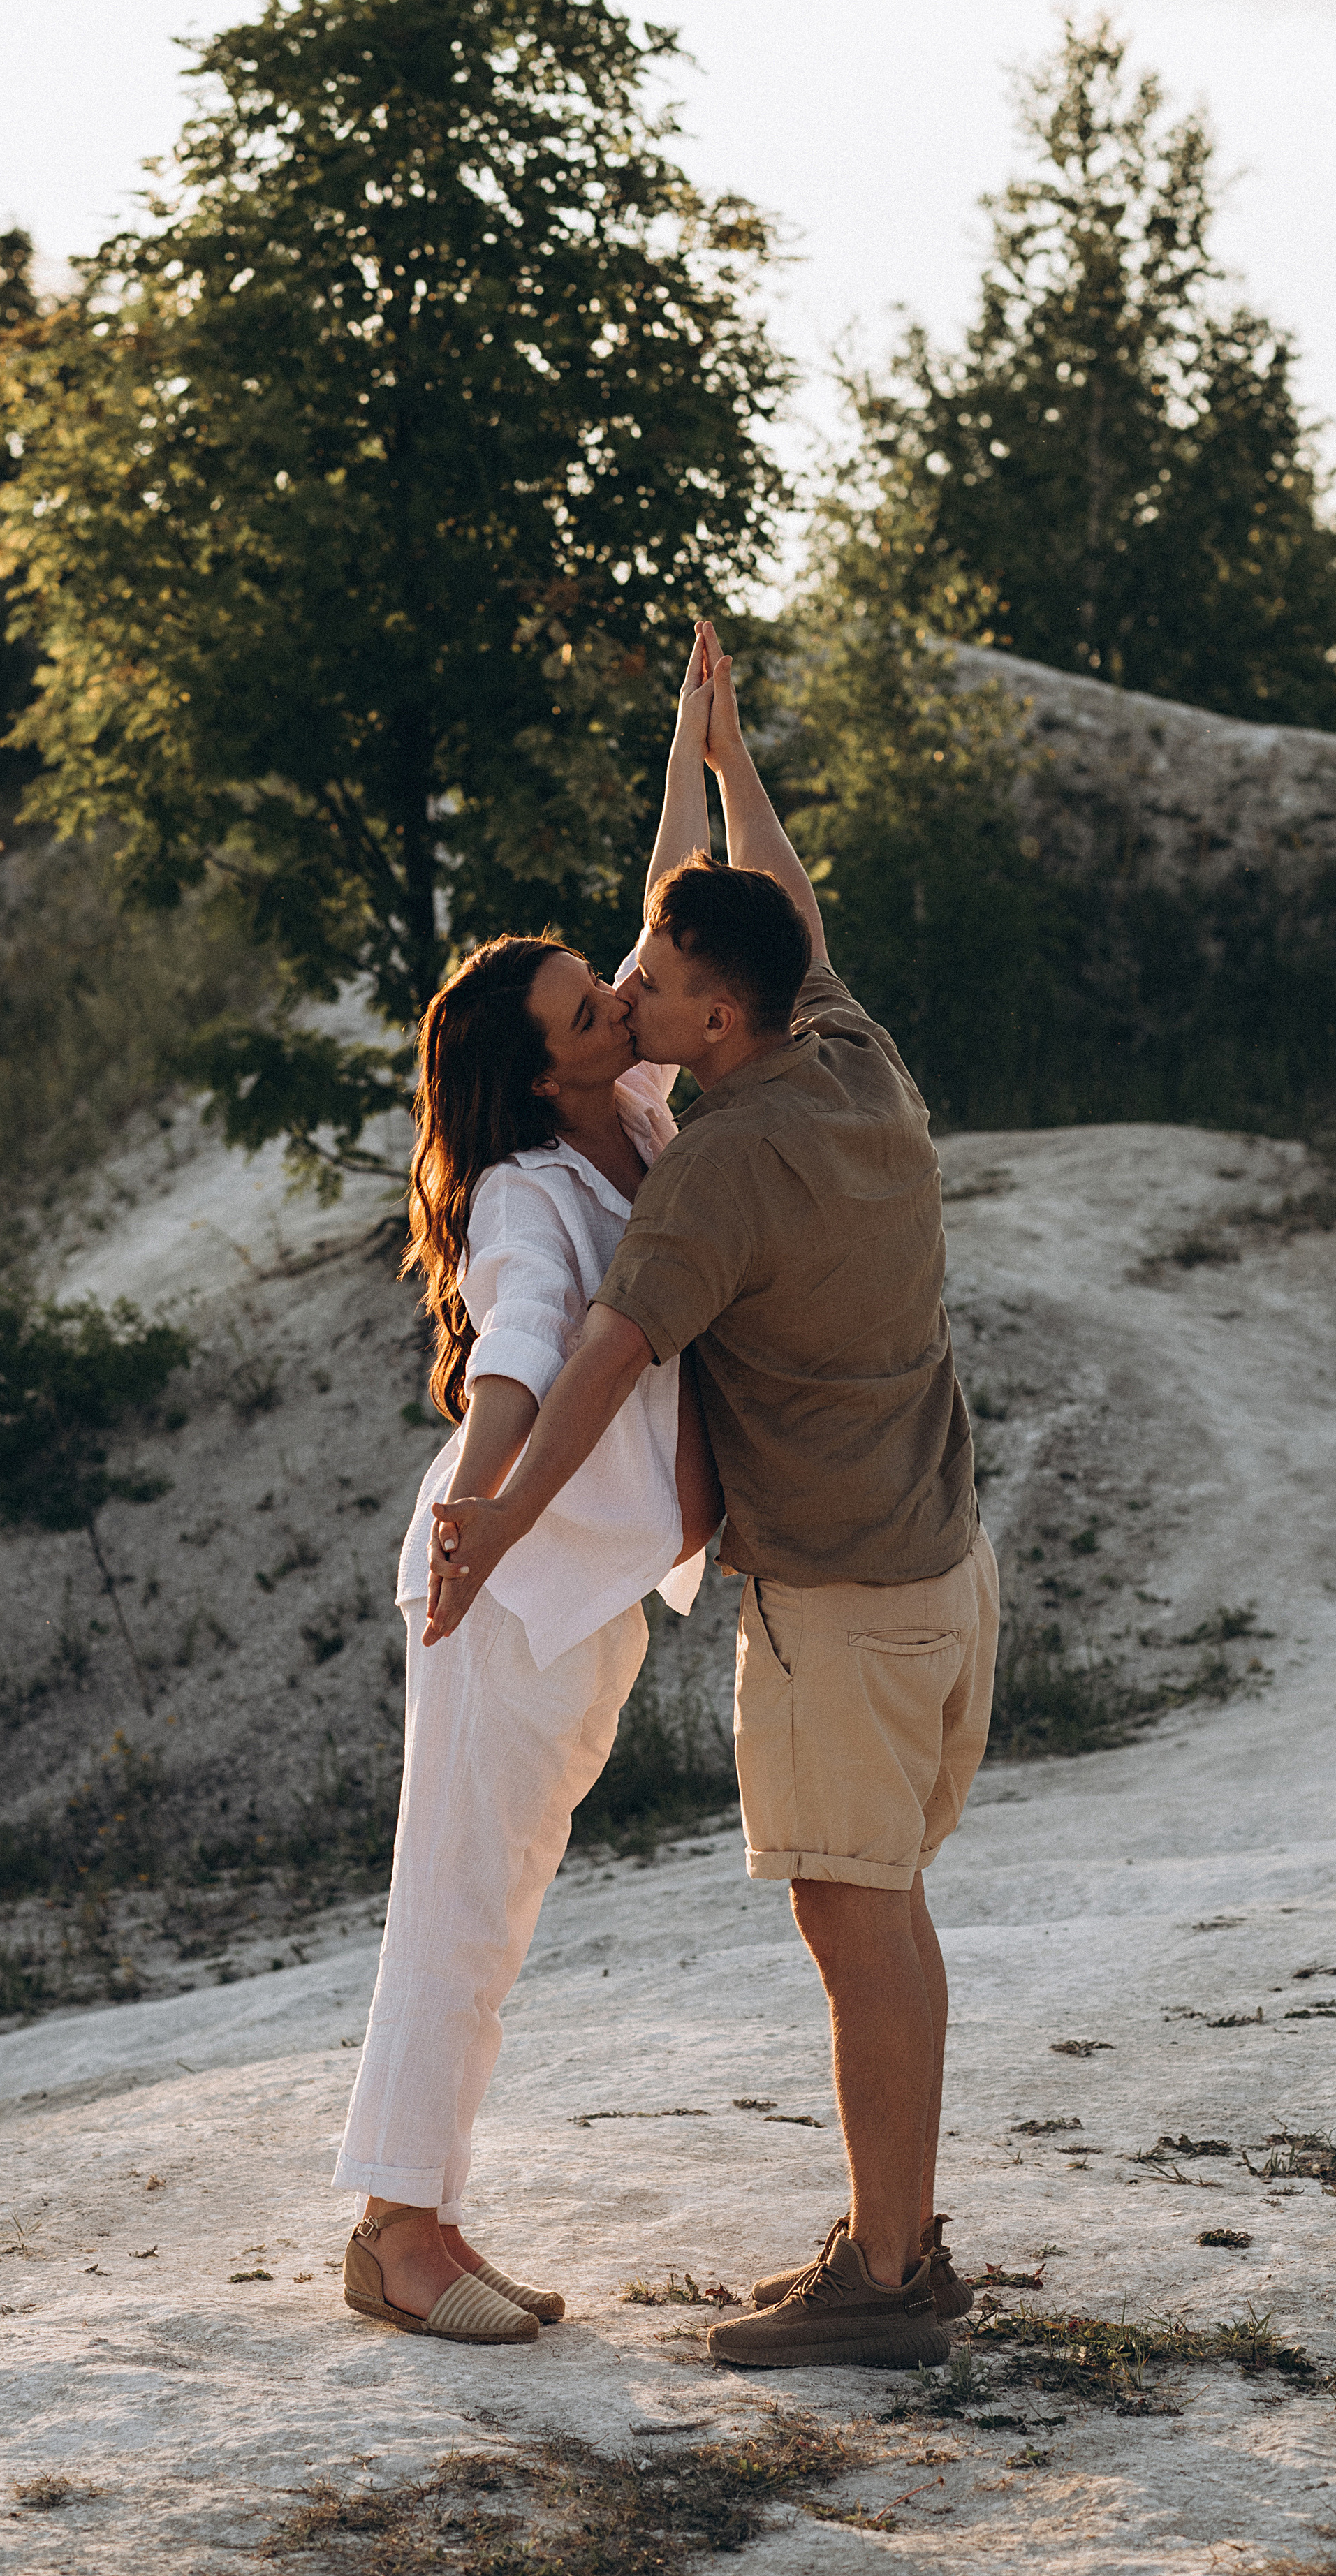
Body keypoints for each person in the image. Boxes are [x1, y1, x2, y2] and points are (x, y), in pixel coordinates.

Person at [427, 622, 999, 2373]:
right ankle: (892, 2241)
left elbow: (596, 1356)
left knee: (855, 1920)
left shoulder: (717, 1176)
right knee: (882, 1905)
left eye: (655, 989)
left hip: (837, 1597)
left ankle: (885, 2282)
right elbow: (790, 918)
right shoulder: (844, 1053)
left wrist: (494, 1526)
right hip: (943, 1568)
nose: (633, 1003)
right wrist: (721, 757)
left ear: (715, 1018)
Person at [332, 633, 726, 2347]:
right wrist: (479, 1518)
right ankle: (399, 2234)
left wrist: (692, 749)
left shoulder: (625, 1110)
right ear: (543, 1060)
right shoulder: (519, 1189)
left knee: (495, 1900)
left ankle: (419, 2211)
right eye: (589, 1005)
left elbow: (661, 903)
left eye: (609, 986)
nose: (622, 998)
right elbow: (521, 1353)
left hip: (580, 1581)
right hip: (502, 1572)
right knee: (459, 1899)